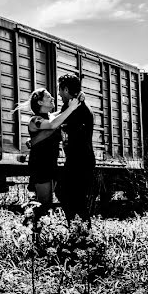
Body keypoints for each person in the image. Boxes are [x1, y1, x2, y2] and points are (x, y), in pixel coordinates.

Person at [13, 88, 84, 216]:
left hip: (51, 164)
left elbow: (61, 115)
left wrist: (78, 98)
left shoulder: (52, 116)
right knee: (44, 205)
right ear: (40, 102)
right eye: (48, 97)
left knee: (58, 199)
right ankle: (33, 230)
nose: (52, 98)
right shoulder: (34, 120)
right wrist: (71, 108)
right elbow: (52, 124)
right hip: (40, 165)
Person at [56, 73, 96, 225]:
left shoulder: (81, 110)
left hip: (82, 160)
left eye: (60, 90)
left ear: (66, 89)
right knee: (64, 193)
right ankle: (76, 228)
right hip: (73, 159)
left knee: (76, 199)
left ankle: (82, 232)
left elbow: (57, 123)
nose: (59, 94)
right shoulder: (69, 107)